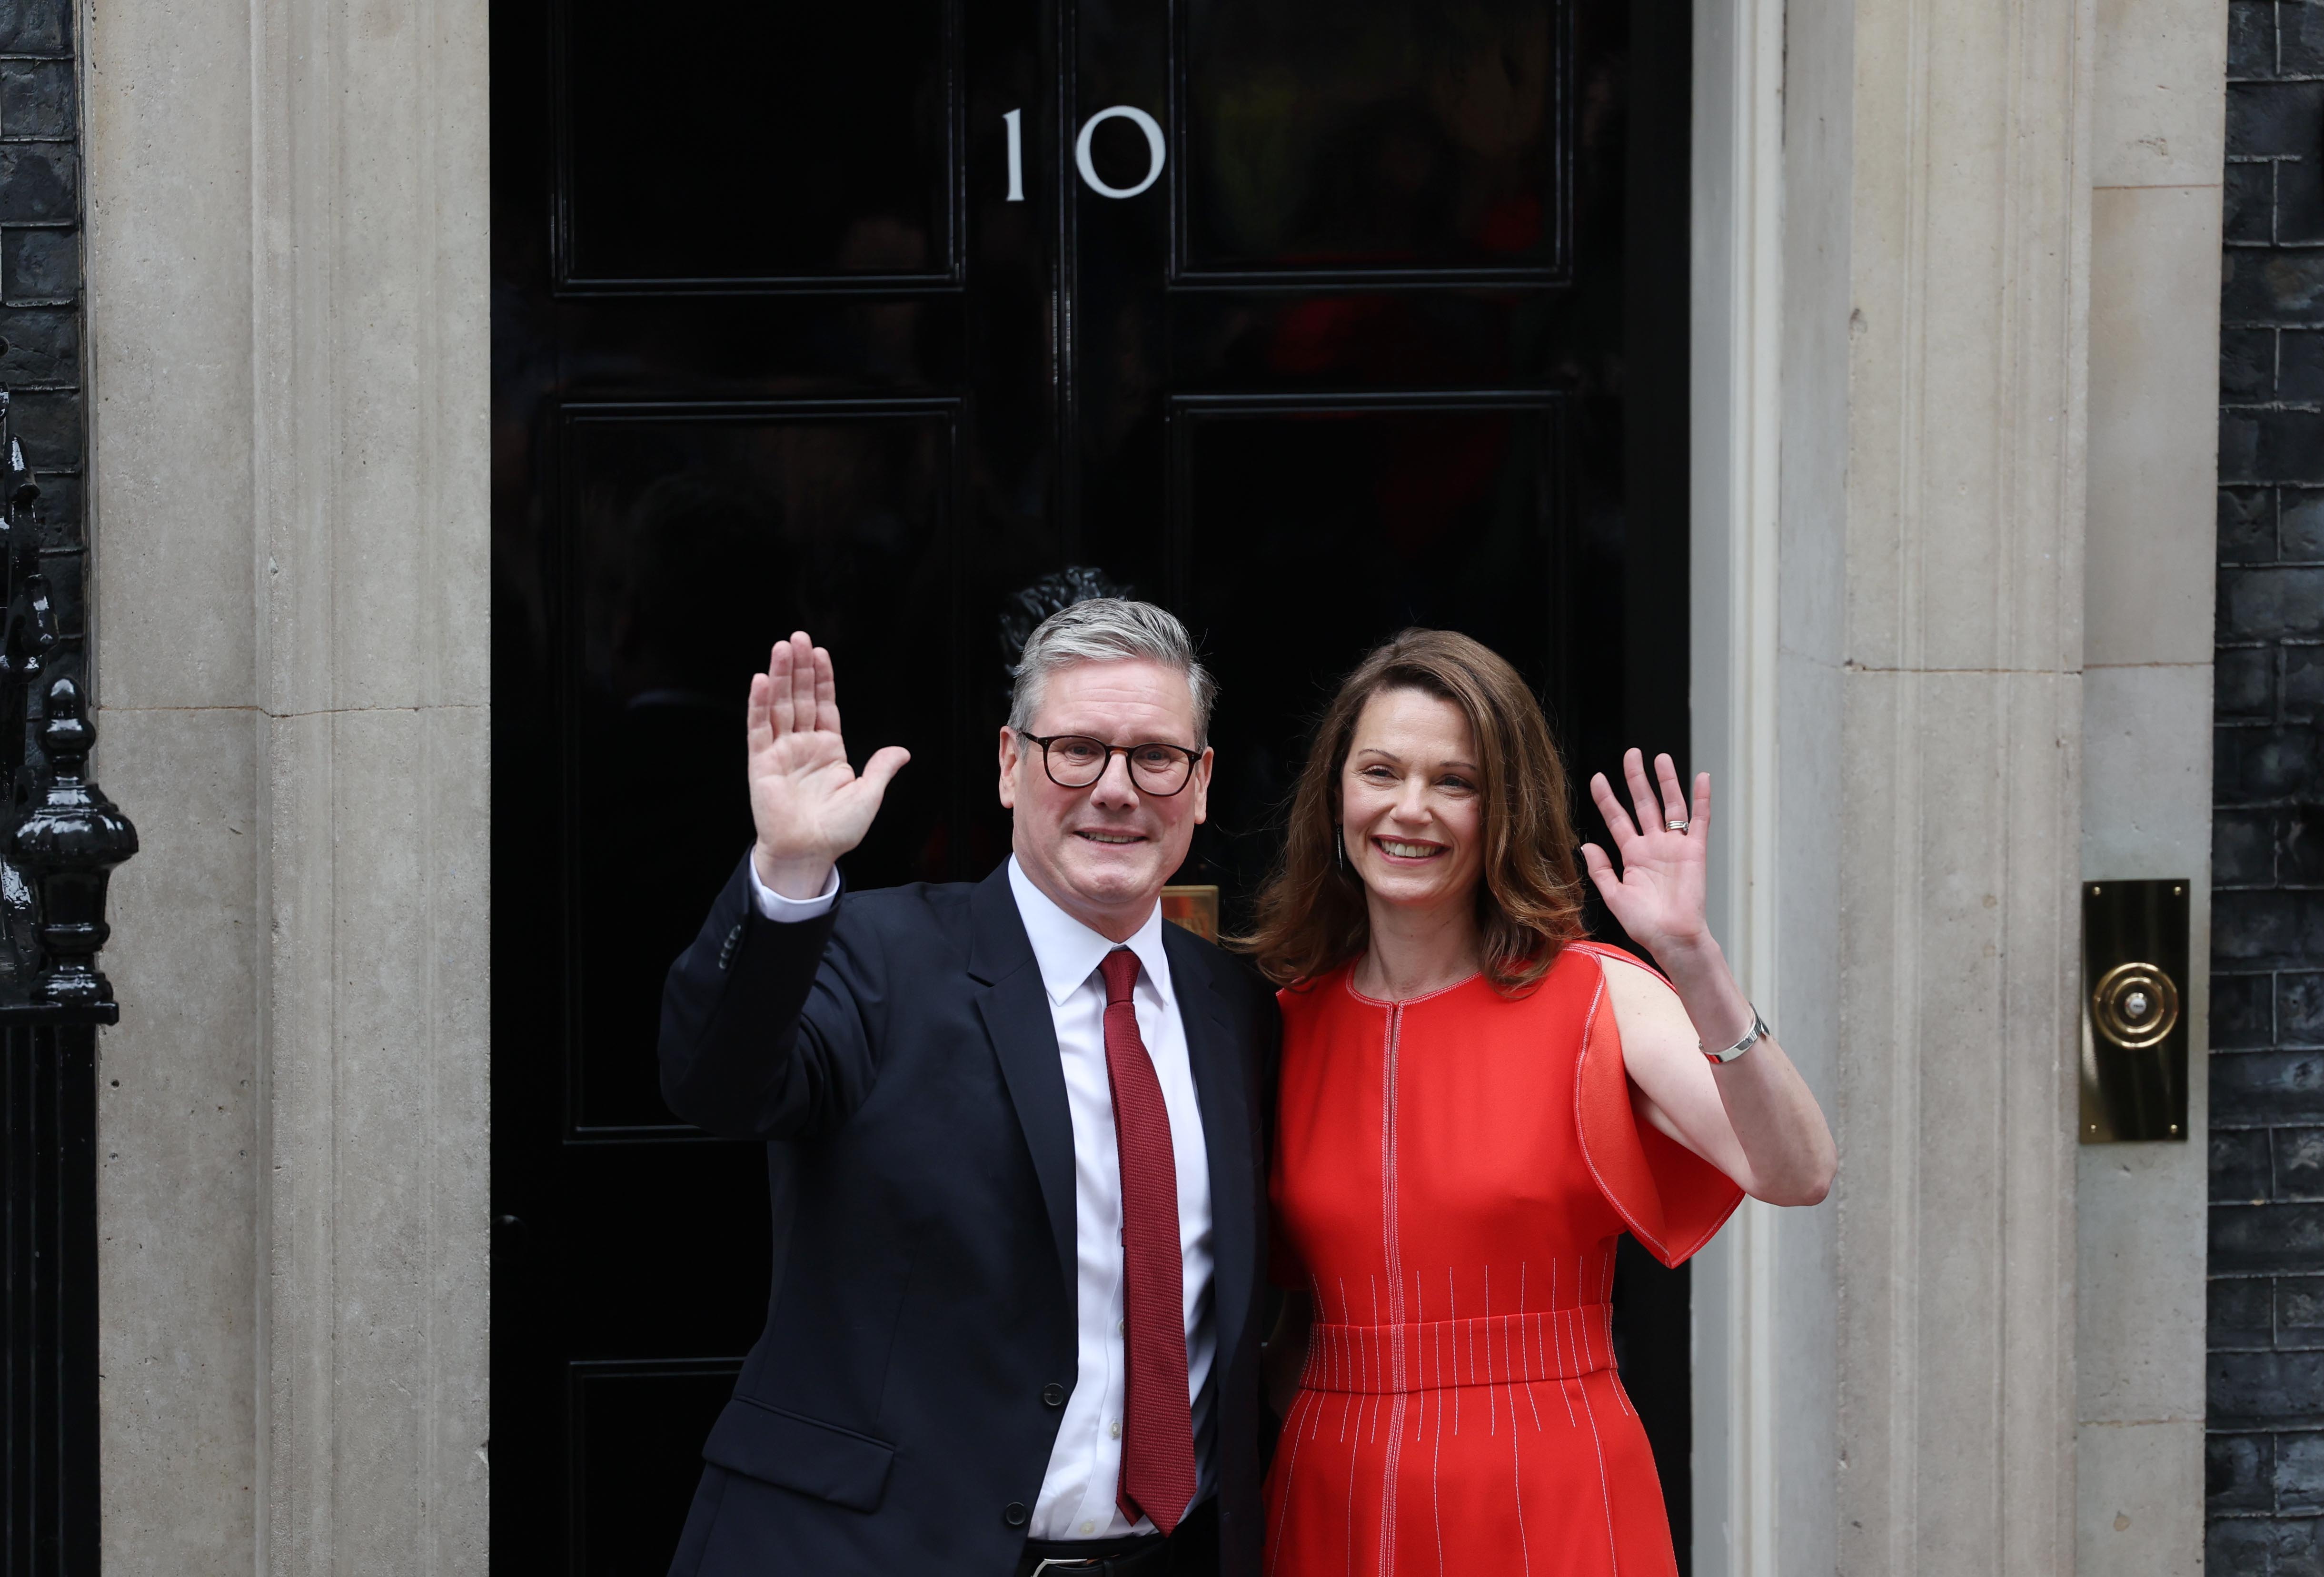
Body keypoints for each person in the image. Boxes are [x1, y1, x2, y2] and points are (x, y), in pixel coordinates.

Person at [659, 600, 1280, 1577]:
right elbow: (720, 1087)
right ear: (1007, 763)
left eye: (1154, 757)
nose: (1115, 789)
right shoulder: (875, 954)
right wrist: (788, 869)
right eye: (1075, 749)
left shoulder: (1236, 1010)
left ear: (1199, 784)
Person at [1243, 629, 1835, 1577]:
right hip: (1332, 1496)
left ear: (1503, 805)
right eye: (1381, 771)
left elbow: (1797, 1170)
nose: (1409, 809)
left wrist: (1694, 961)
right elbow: (1284, 1323)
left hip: (1543, 1487)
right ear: (1334, 793)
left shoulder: (1593, 994)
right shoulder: (1282, 1025)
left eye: (1454, 781)